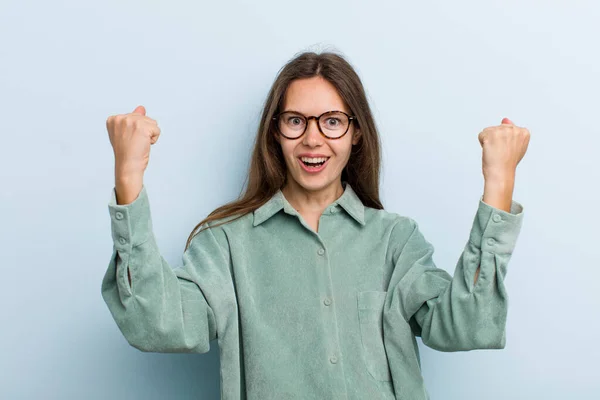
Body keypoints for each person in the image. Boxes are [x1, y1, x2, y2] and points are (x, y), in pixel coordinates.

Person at [102, 50, 529, 400]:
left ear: (355, 132)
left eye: (332, 121)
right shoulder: (226, 245)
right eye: (295, 121)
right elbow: (158, 325)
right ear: (275, 132)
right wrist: (128, 180)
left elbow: (465, 326)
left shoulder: (396, 240)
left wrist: (499, 183)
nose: (313, 139)